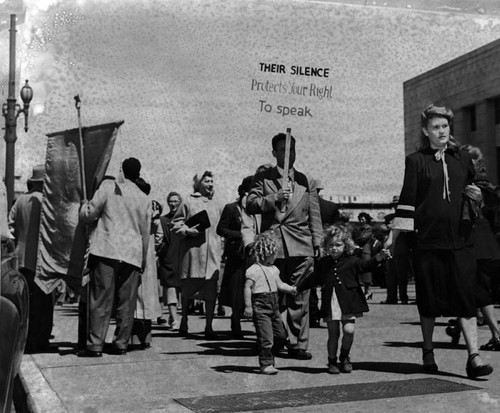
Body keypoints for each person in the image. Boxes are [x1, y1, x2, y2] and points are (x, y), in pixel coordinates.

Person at [387, 104, 493, 378]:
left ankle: (474, 358)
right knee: (429, 299)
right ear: (426, 131)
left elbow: (478, 187)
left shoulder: (462, 158)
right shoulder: (416, 161)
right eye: (436, 127)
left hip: (461, 240)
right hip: (427, 242)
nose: (441, 131)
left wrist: (477, 195)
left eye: (445, 126)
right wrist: (393, 236)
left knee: (465, 297)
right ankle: (428, 350)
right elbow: (407, 201)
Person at [246, 132, 323, 360]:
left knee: (300, 297)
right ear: (274, 152)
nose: (288, 155)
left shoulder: (305, 180)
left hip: (301, 245)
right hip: (273, 246)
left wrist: (317, 240)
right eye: (282, 150)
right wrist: (274, 198)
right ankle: (277, 339)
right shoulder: (262, 178)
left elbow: (314, 215)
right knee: (273, 296)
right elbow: (250, 204)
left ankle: (299, 345)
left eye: (291, 150)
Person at [78, 157, 151, 357]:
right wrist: (142, 259)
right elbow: (145, 233)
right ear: (138, 173)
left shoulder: (109, 187)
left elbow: (89, 215)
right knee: (126, 302)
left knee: (100, 298)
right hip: (132, 254)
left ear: (121, 170)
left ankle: (95, 344)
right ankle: (120, 343)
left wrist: (84, 205)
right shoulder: (144, 197)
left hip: (106, 251)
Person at [297, 224, 390, 374]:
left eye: (338, 245)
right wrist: (299, 287)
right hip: (331, 302)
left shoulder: (352, 260)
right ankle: (332, 360)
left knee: (349, 330)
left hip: (348, 301)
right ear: (326, 246)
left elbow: (366, 265)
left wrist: (378, 257)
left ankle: (344, 356)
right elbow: (313, 278)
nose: (334, 248)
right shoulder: (323, 263)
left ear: (345, 245)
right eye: (331, 245)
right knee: (333, 334)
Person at [445, 145, 500, 351]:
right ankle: (458, 328)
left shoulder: (475, 186)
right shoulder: (484, 185)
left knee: (477, 289)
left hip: (475, 245)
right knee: (471, 289)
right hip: (486, 246)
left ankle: (496, 334)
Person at [8, 164, 58, 354]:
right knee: (44, 304)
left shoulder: (20, 200)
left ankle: (27, 340)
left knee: (26, 303)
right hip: (43, 260)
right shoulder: (48, 202)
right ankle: (41, 340)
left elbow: (10, 227)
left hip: (21, 260)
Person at [172, 171, 223, 339]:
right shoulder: (188, 201)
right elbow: (175, 223)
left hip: (212, 254)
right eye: (206, 181)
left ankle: (209, 327)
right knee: (188, 291)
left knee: (211, 293)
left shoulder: (217, 203)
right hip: (193, 253)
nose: (210, 184)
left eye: (211, 181)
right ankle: (184, 322)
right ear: (198, 183)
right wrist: (187, 230)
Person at [243, 232, 297, 374]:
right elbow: (247, 287)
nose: (276, 257)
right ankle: (266, 363)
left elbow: (280, 284)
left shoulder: (274, 269)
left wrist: (291, 289)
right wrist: (248, 306)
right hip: (260, 306)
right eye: (274, 254)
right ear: (265, 253)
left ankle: (270, 355)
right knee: (266, 337)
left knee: (280, 335)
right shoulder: (253, 270)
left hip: (274, 305)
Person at [217, 176, 253, 339]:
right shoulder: (231, 208)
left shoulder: (256, 211)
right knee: (237, 289)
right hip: (237, 254)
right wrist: (240, 234)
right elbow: (221, 229)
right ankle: (235, 320)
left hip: (254, 255)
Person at [381, 196, 414, 304]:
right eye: (394, 204)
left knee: (402, 276)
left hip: (402, 250)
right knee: (390, 276)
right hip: (390, 250)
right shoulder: (389, 217)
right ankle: (391, 298)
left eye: (398, 204)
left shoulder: (407, 217)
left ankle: (403, 297)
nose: (396, 206)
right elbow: (382, 229)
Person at [157, 192, 183, 330]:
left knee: (181, 290)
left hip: (183, 258)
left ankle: (174, 316)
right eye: (171, 201)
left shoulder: (184, 220)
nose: (173, 204)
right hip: (168, 259)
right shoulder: (163, 220)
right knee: (171, 289)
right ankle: (174, 319)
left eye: (176, 201)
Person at [354, 212, 374, 299]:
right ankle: (366, 291)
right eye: (360, 219)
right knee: (361, 271)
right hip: (360, 251)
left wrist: (357, 239)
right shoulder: (361, 229)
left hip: (366, 250)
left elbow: (363, 238)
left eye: (363, 219)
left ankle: (368, 290)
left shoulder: (368, 228)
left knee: (367, 271)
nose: (361, 221)